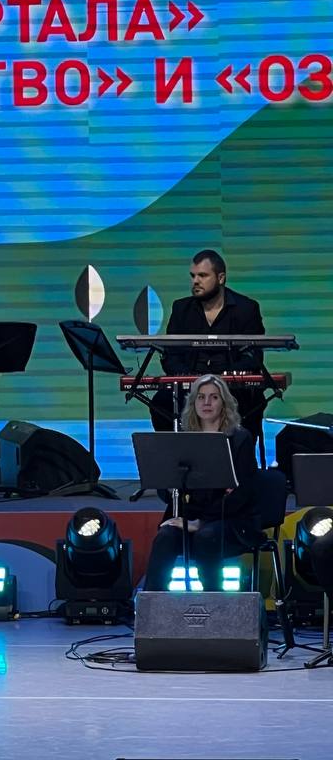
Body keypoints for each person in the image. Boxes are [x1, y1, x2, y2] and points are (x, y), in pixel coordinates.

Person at [144, 374, 286, 591]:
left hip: (233, 521)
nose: (207, 403)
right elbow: (168, 492)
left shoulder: (240, 438)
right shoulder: (183, 438)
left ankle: (214, 604)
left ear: (224, 403)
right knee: (165, 537)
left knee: (206, 537)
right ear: (193, 403)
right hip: (191, 517)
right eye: (201, 397)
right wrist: (169, 484)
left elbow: (241, 494)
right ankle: (152, 604)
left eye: (214, 397)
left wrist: (200, 522)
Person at [151, 250, 267, 442]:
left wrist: (220, 380)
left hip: (233, 387)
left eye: (202, 275)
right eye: (193, 276)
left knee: (252, 403)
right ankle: (178, 455)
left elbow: (253, 357)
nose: (195, 281)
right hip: (189, 385)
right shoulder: (181, 309)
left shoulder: (246, 308)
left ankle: (239, 457)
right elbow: (171, 355)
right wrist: (193, 380)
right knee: (161, 402)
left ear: (221, 278)